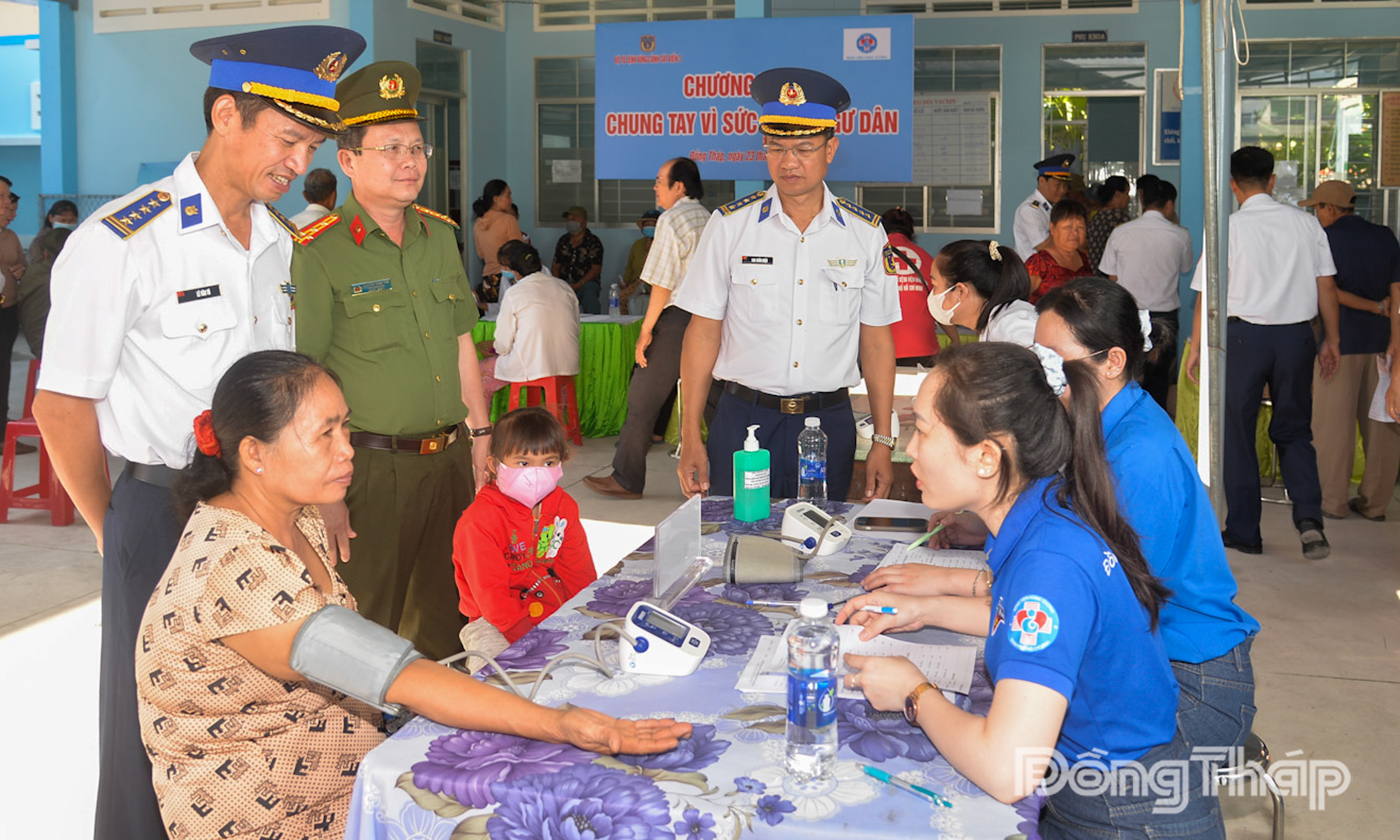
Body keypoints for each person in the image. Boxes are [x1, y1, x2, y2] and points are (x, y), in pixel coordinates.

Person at [32, 25, 366, 840]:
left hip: (264, 510)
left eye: (310, 143)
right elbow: (61, 405)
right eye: (287, 139)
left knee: (273, 722)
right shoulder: (123, 242)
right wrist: (120, 532)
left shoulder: (278, 244)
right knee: (153, 729)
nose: (298, 163)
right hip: (163, 512)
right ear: (226, 115)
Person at [138, 350, 691, 840]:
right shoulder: (235, 569)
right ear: (254, 454)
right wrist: (562, 722)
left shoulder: (293, 517)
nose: (347, 451)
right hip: (272, 815)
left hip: (342, 768)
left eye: (346, 429)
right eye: (324, 435)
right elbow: (396, 673)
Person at [837, 342, 1223, 838]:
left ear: (985, 458)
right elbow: (1029, 620)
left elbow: (1009, 769)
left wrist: (913, 692)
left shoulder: (1050, 564)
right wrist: (923, 610)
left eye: (924, 430)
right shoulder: (1046, 507)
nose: (910, 447)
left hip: (1123, 815)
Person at [293, 61, 491, 662]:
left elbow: (462, 342)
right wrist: (325, 487)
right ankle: (361, 750)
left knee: (450, 617)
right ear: (348, 161)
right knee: (364, 622)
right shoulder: (319, 251)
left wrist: (480, 437)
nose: (410, 161)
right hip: (368, 471)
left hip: (449, 460)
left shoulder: (440, 235)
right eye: (390, 149)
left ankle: (438, 747)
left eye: (416, 147)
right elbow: (309, 377)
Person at [674, 68, 898, 502]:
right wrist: (690, 434)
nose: (788, 162)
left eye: (803, 148)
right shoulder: (730, 226)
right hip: (741, 419)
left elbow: (875, 340)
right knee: (737, 541)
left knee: (818, 544)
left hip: (827, 423)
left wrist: (883, 442)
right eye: (776, 148)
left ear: (830, 148)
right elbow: (702, 333)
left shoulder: (865, 233)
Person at [1185, 146, 1341, 559]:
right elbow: (1327, 287)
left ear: (1233, 185)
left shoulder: (1226, 228)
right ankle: (1309, 520)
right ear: (1272, 181)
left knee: (1238, 434)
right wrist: (1332, 340)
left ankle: (1244, 532)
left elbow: (1206, 294)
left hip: (1243, 341)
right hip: (1295, 338)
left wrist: (1196, 347)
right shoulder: (1307, 225)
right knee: (1294, 429)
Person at [585, 156, 711, 500]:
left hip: (677, 319)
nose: (655, 187)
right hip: (711, 320)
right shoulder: (709, 218)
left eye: (659, 180)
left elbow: (662, 284)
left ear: (679, 186)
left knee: (643, 398)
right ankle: (726, 480)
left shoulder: (671, 219)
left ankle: (626, 478)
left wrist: (646, 330)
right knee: (716, 401)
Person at [453, 406, 597, 661]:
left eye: (549, 462)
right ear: (494, 465)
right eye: (523, 463)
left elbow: (579, 571)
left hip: (553, 605)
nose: (536, 472)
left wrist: (585, 614)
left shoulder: (563, 506)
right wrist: (531, 641)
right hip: (494, 623)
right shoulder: (479, 522)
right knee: (504, 684)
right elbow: (492, 597)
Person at [1299, 179, 1400, 521]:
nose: (1317, 214)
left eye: (1317, 208)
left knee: (1332, 429)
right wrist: (1392, 333)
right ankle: (1375, 505)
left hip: (1337, 344)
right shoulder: (1385, 236)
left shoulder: (1325, 239)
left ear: (1329, 208)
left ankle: (1332, 503)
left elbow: (1326, 291)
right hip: (1382, 346)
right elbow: (1397, 293)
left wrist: (1371, 306)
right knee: (1383, 427)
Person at [1099, 175, 1194, 411]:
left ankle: (1125, 421)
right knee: (1160, 378)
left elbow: (1110, 275)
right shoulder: (1180, 235)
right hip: (1165, 317)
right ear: (1169, 204)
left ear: (1143, 200)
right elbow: (1185, 268)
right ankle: (1156, 421)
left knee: (1126, 374)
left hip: (1128, 314)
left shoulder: (1121, 232)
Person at [477, 240, 580, 397]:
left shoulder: (515, 293)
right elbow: (576, 329)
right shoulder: (564, 287)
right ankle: (561, 419)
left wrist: (498, 349)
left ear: (515, 270)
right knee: (555, 383)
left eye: (504, 267)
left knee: (479, 372)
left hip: (531, 366)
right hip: (568, 364)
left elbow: (503, 344)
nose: (502, 271)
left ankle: (480, 422)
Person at [881, 206, 959, 365]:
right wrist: (955, 339)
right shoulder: (926, 259)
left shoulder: (872, 257)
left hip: (881, 350)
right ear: (912, 233)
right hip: (924, 350)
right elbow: (940, 304)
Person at [926, 239, 1038, 347]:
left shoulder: (1013, 325)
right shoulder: (991, 326)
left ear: (961, 292)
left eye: (935, 285)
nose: (932, 294)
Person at [0, 176, 32, 454]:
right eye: (2, 197)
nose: (8, 203)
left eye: (8, 197)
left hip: (6, 311)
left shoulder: (9, 236)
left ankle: (2, 431)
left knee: (3, 372)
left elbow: (21, 264)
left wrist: (20, 270)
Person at [1025, 199, 1092, 304]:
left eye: (1080, 227)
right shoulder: (1039, 262)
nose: (1074, 233)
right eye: (1068, 227)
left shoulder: (1083, 258)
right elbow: (1020, 298)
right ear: (1052, 228)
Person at [19, 226, 71, 358]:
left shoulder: (32, 273)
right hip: (63, 349)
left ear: (46, 253)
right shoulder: (76, 276)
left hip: (37, 345)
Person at [472, 178, 524, 306]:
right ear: (496, 198)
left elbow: (481, 254)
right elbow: (518, 253)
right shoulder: (508, 220)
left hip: (488, 279)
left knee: (494, 318)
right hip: (508, 278)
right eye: (508, 195)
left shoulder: (478, 223)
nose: (511, 200)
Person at [1013, 154, 1074, 255]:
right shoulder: (1030, 210)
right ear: (1042, 181)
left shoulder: (1052, 207)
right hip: (1031, 270)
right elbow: (1043, 247)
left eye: (1065, 186)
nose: (1063, 190)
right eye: (1057, 185)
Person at [553, 205, 605, 314]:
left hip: (586, 283)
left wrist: (579, 284)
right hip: (565, 282)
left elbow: (595, 269)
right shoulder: (563, 241)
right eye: (568, 219)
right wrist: (558, 283)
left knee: (589, 293)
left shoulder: (593, 242)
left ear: (584, 221)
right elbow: (556, 265)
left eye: (574, 219)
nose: (570, 222)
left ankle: (594, 324)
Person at [1085, 175, 1131, 272]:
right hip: (1113, 273)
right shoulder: (1121, 218)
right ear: (1118, 194)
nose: (1128, 198)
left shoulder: (1094, 216)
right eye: (1127, 193)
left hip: (1093, 272)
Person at [620, 208, 661, 315]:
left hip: (656, 284)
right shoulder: (637, 245)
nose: (650, 226)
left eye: (653, 224)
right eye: (647, 224)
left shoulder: (663, 245)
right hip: (637, 282)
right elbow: (629, 267)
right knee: (622, 297)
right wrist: (625, 281)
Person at [27, 198, 78, 263]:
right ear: (51, 218)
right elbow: (38, 265)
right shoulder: (41, 240)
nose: (67, 224)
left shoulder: (76, 237)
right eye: (63, 220)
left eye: (71, 221)